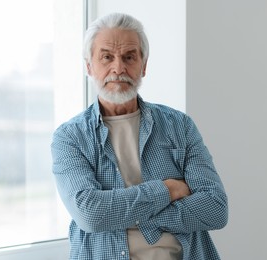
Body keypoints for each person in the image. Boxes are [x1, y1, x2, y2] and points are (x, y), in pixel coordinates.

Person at [51, 12, 228, 260]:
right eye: (107, 57)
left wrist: (121, 213)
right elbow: (90, 214)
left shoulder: (180, 126)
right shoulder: (70, 138)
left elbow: (215, 209)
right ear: (89, 66)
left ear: (143, 66)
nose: (118, 68)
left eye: (129, 57)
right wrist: (167, 190)